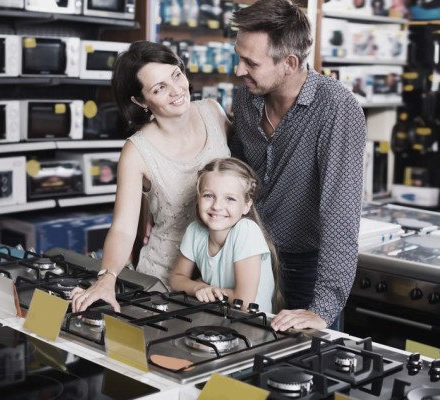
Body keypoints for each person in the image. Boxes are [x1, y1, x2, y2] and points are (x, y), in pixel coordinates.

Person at [229, 0, 366, 331]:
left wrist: (322, 307)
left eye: (251, 62)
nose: (238, 71)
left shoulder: (336, 109)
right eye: (239, 58)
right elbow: (236, 175)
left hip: (307, 269)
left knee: (306, 374)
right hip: (249, 257)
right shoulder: (246, 98)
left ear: (289, 63)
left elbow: (340, 213)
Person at [71, 41, 231, 312]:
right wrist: (107, 277)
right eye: (159, 88)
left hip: (223, 272)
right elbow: (123, 228)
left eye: (176, 75)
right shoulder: (137, 151)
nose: (176, 91)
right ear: (140, 100)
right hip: (165, 280)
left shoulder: (213, 111)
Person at [169, 157, 283, 314]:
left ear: (246, 205)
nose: (217, 206)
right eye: (208, 195)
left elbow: (243, 302)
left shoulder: (247, 230)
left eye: (230, 199)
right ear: (198, 198)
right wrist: (198, 287)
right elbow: (176, 278)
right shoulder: (194, 231)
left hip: (253, 328)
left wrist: (210, 292)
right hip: (219, 319)